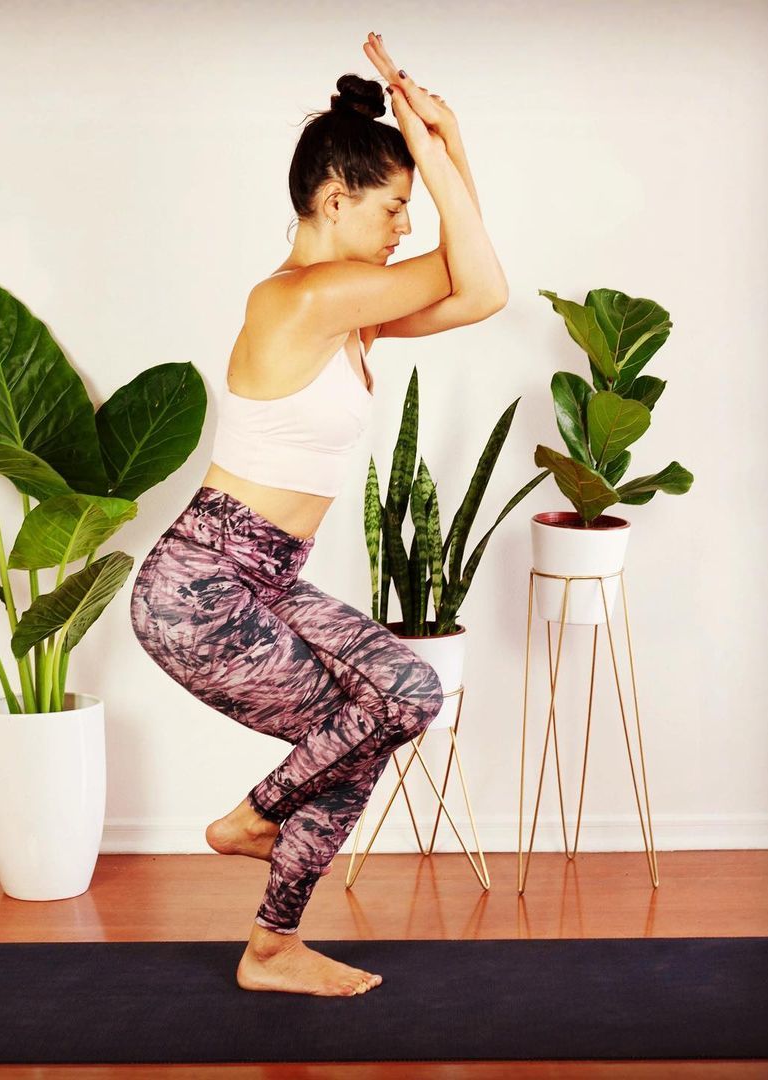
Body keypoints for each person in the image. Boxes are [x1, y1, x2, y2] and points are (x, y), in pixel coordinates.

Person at [129, 33, 509, 997]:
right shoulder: (308, 297)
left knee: (385, 706)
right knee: (392, 704)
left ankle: (271, 943)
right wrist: (436, 146)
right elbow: (472, 274)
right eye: (392, 208)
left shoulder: (347, 310)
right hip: (202, 589)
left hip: (260, 578)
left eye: (410, 209)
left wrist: (449, 142)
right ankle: (254, 833)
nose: (402, 229)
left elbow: (481, 290)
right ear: (335, 200)